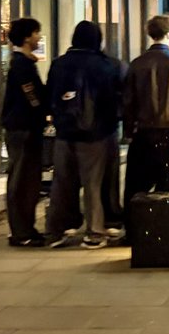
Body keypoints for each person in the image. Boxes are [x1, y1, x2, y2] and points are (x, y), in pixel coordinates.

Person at [46, 21, 123, 249]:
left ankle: (56, 230)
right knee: (94, 184)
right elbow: (115, 99)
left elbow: (50, 95)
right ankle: (95, 231)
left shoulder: (59, 64)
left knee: (62, 182)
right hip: (97, 134)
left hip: (64, 133)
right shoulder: (108, 65)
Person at [122, 15, 169, 238]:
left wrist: (129, 131)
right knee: (166, 183)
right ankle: (165, 230)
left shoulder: (137, 64)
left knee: (136, 184)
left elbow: (128, 101)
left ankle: (134, 230)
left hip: (143, 132)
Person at [2, 18, 48, 247]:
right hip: (23, 128)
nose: (39, 37)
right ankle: (21, 232)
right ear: (28, 36)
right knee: (23, 180)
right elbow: (31, 95)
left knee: (28, 180)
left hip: (23, 126)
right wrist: (42, 109)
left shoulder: (22, 62)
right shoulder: (21, 64)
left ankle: (25, 228)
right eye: (37, 33)